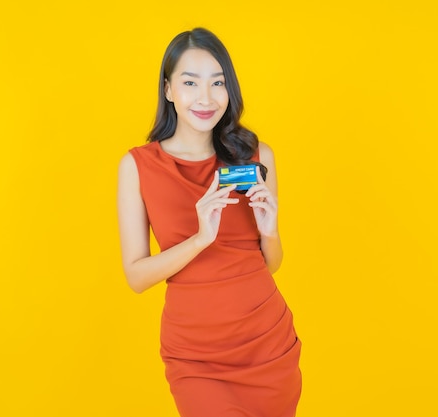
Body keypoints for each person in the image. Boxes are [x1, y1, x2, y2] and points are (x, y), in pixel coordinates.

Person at [117, 28, 302, 417]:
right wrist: (200, 238)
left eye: (218, 83)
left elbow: (270, 264)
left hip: (266, 344)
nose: (206, 97)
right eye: (190, 82)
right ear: (168, 89)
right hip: (196, 355)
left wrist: (270, 230)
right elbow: (136, 277)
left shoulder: (256, 155)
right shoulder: (138, 166)